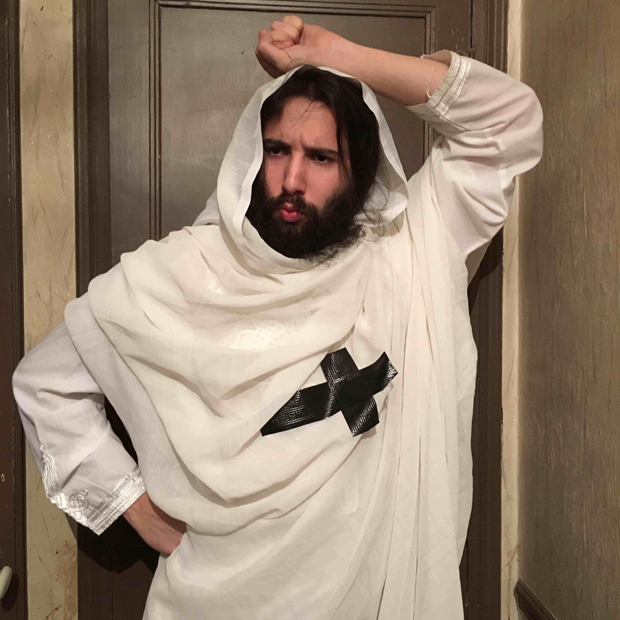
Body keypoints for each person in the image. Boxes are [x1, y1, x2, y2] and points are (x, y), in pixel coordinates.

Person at [12, 16, 543, 619]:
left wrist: (337, 56)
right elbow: (45, 383)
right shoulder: (185, 271)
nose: (292, 179)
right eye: (277, 150)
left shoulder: (410, 253)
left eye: (322, 156)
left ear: (358, 169)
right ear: (252, 152)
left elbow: (507, 120)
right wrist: (133, 507)